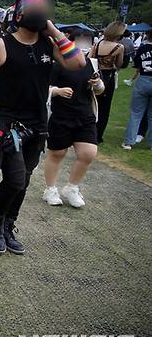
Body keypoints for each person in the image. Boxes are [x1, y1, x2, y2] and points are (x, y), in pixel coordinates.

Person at [0, 0, 85, 255]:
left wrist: (54, 31)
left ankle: (9, 225)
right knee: (16, 179)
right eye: (34, 9)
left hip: (38, 126)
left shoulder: (49, 45)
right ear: (19, 16)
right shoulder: (1, 45)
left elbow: (78, 63)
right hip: (7, 125)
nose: (39, 14)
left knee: (26, 178)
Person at [42, 30, 105, 208]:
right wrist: (57, 91)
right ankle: (50, 189)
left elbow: (100, 90)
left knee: (88, 153)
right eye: (80, 40)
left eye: (88, 41)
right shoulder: (58, 64)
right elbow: (44, 88)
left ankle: (72, 187)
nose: (84, 44)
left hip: (85, 115)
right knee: (57, 153)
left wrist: (98, 84)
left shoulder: (91, 63)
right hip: (62, 115)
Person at [90, 21, 125, 144]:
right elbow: (119, 64)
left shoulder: (98, 43)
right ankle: (98, 136)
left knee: (93, 104)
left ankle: (89, 131)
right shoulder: (119, 47)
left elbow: (91, 58)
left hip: (96, 75)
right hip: (108, 76)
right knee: (105, 108)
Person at [122, 29, 152, 150]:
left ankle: (129, 142)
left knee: (136, 113)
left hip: (143, 79)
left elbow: (137, 65)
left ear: (148, 36)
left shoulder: (142, 48)